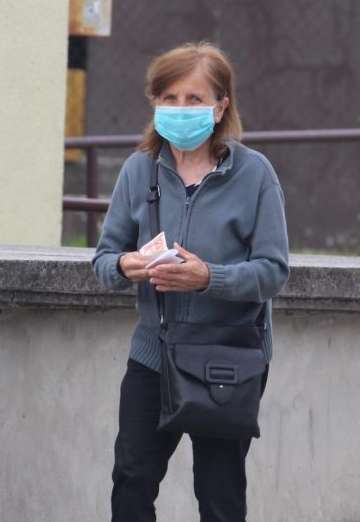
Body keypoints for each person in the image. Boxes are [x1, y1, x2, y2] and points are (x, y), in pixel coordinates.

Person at [92, 41, 290, 522]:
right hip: (153, 356)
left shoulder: (255, 174)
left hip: (227, 359)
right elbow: (104, 260)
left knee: (220, 496)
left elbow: (273, 271)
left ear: (220, 107)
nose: (181, 109)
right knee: (131, 483)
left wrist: (208, 278)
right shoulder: (138, 171)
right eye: (170, 98)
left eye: (194, 98)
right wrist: (125, 265)